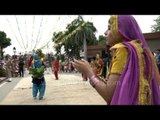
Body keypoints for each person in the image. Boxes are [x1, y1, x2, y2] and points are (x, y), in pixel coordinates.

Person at [72, 15, 160, 105]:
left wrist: (89, 73)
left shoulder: (122, 50)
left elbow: (108, 95)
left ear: (121, 31)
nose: (105, 33)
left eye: (109, 28)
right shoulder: (140, 50)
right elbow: (115, 86)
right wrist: (94, 75)